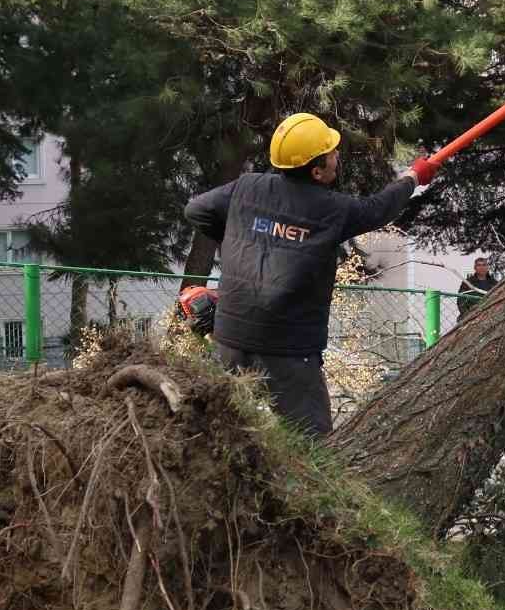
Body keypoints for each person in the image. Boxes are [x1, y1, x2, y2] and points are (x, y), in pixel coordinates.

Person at [184, 113, 435, 436]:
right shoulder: (331, 208)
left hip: (230, 338)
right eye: (331, 153)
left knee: (222, 436)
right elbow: (378, 209)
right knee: (312, 446)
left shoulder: (246, 187)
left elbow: (196, 210)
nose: (337, 156)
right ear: (316, 171)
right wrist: (413, 177)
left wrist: (238, 237)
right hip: (289, 353)